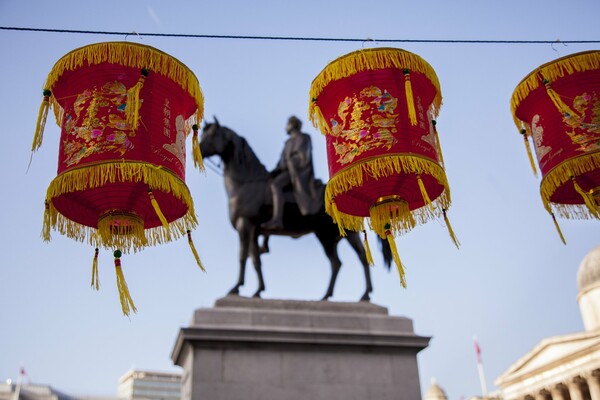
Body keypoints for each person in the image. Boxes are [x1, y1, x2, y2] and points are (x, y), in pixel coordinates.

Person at [262, 116, 322, 230]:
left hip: (297, 173)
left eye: (288, 124)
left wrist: (287, 164)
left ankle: (277, 220)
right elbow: (281, 161)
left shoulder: (303, 138)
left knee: (275, 185)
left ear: (293, 125)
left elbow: (302, 159)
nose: (286, 127)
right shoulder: (288, 142)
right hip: (287, 170)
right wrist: (274, 171)